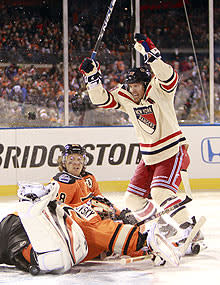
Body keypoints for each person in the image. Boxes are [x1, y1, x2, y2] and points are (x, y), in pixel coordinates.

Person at [79, 33, 204, 252]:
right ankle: (165, 228)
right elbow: (100, 100)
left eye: (137, 85)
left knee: (160, 193)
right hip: (149, 157)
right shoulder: (126, 97)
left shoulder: (159, 89)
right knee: (133, 199)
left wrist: (151, 55)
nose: (133, 90)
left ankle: (190, 228)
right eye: (130, 86)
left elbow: (169, 76)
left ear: (145, 84)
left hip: (172, 151)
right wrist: (92, 76)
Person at [0, 181, 180, 275]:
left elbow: (112, 241)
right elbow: (108, 234)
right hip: (26, 230)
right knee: (53, 261)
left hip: (18, 228)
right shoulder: (90, 216)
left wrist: (144, 249)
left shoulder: (94, 218)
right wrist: (144, 241)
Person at [52, 143, 137, 225]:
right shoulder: (62, 181)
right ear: (63, 162)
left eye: (79, 159)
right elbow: (59, 210)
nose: (76, 163)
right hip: (79, 224)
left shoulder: (89, 178)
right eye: (71, 159)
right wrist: (89, 206)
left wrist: (119, 213)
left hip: (91, 220)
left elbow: (100, 199)